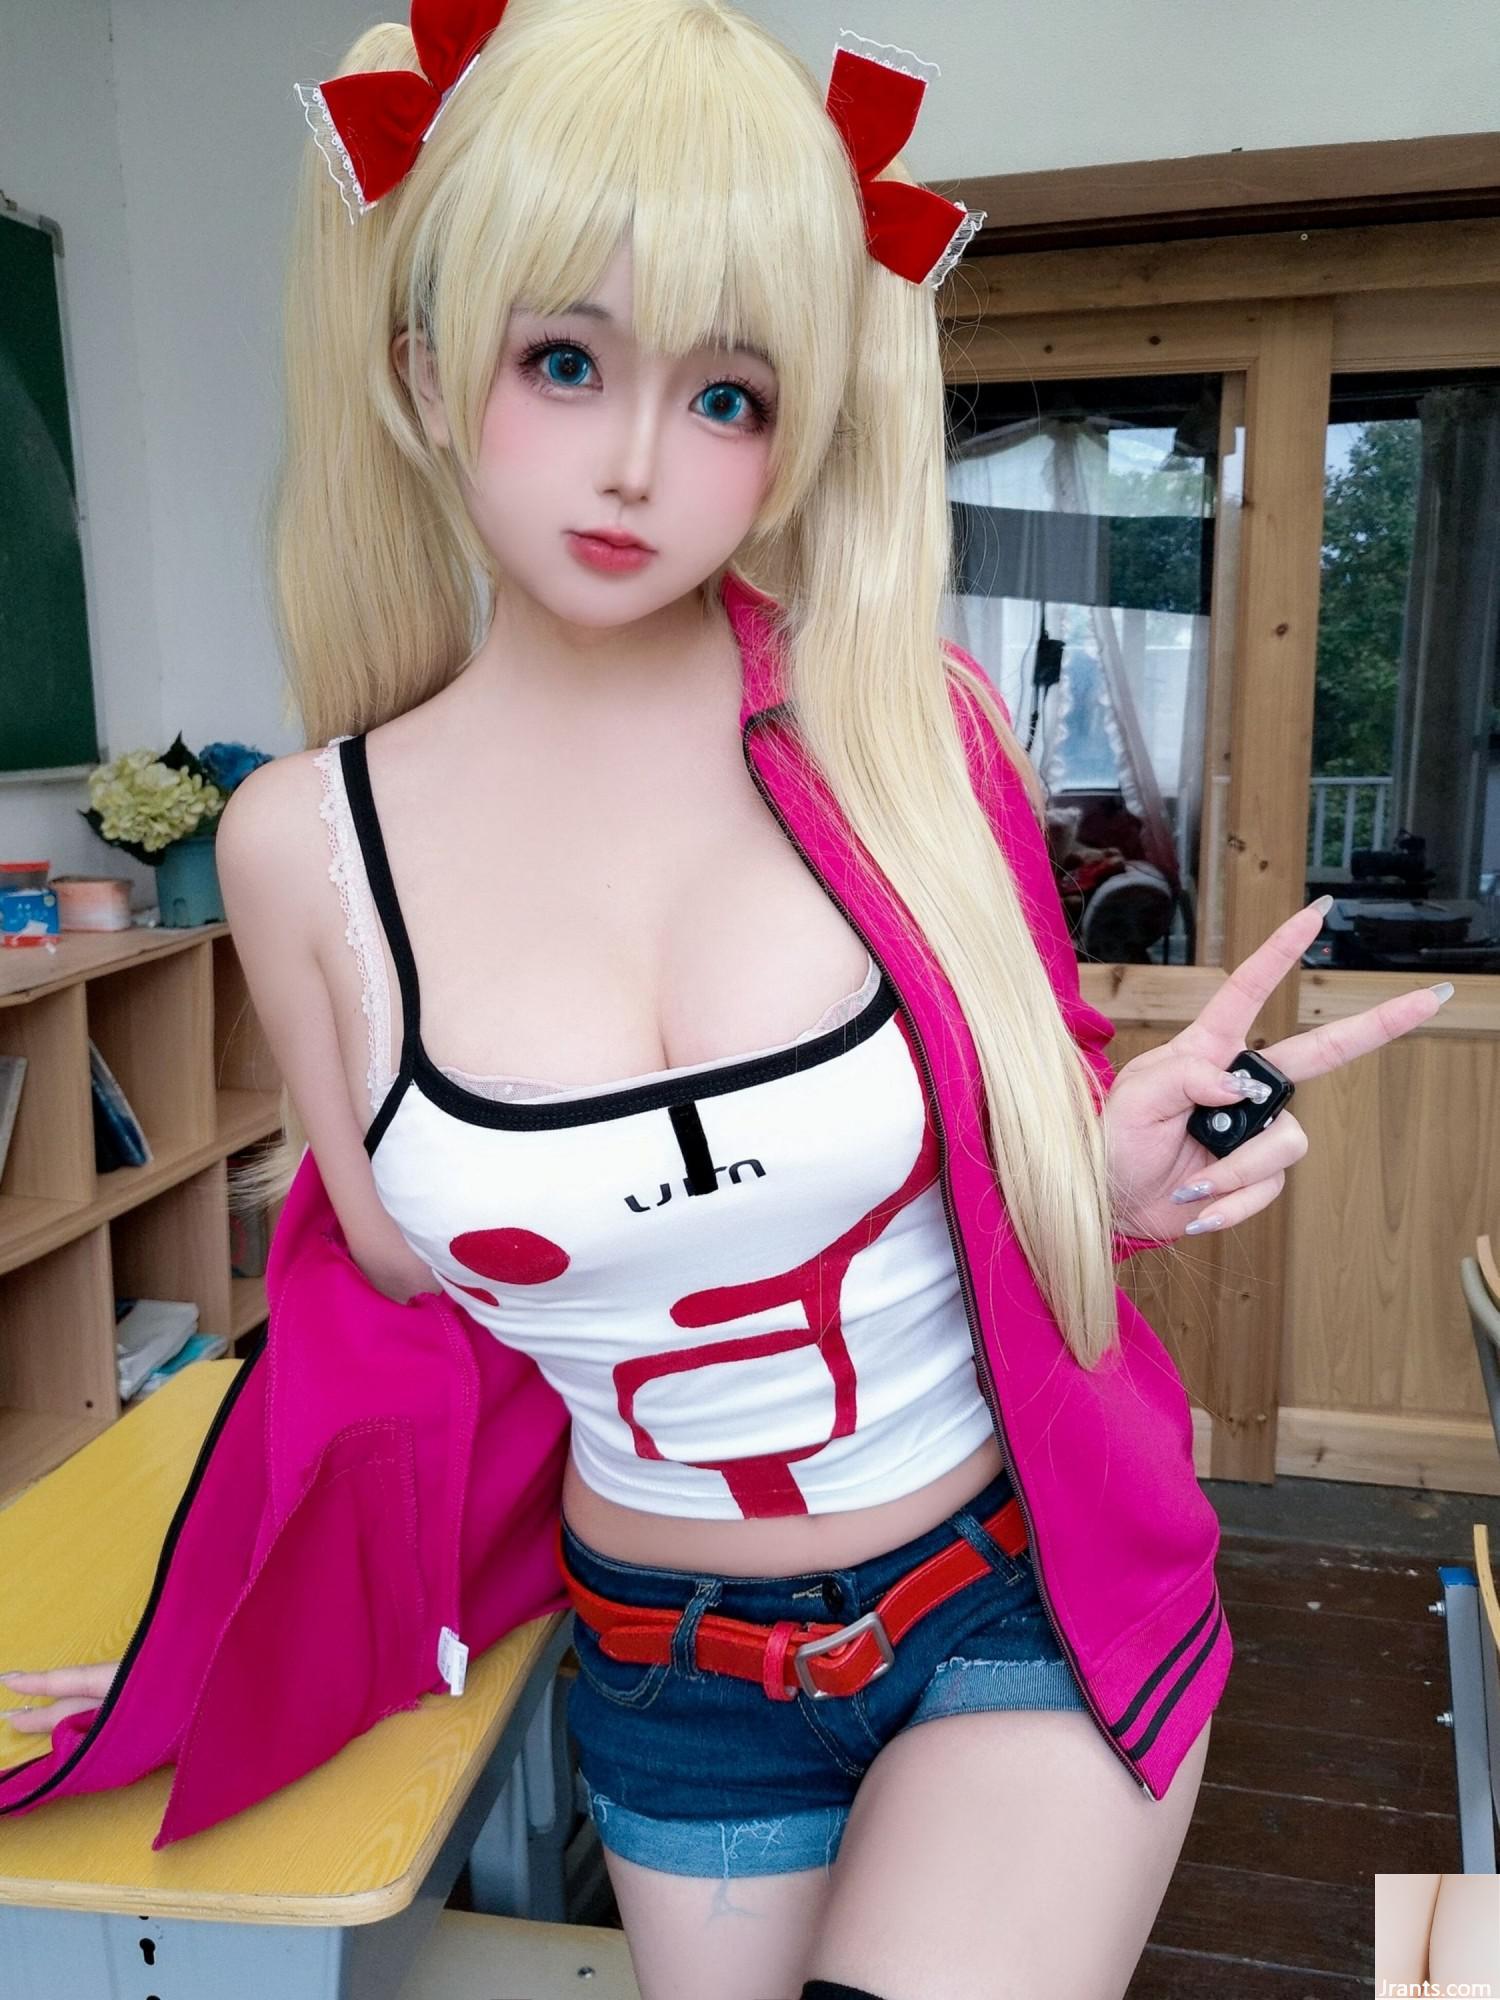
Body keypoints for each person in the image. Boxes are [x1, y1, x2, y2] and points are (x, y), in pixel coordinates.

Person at [0, 3, 1453, 1994]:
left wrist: (1102, 1179)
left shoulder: (914, 736)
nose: (635, 463)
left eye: (726, 394)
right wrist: (227, 1638)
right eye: (565, 360)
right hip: (670, 1669)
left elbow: (1019, 1151)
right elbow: (386, 1314)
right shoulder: (297, 851)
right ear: (422, 370)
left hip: (1011, 1597)